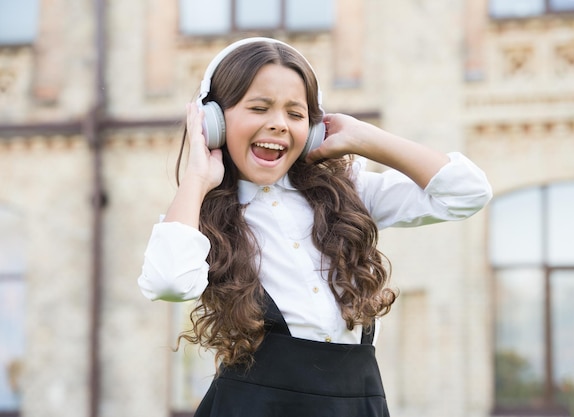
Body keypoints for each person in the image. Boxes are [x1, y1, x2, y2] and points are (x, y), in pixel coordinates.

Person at [138, 37, 492, 417]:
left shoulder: (347, 192)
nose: (277, 124)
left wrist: (367, 138)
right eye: (259, 108)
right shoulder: (196, 214)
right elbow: (168, 283)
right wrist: (197, 176)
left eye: (296, 114)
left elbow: (466, 192)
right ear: (216, 121)